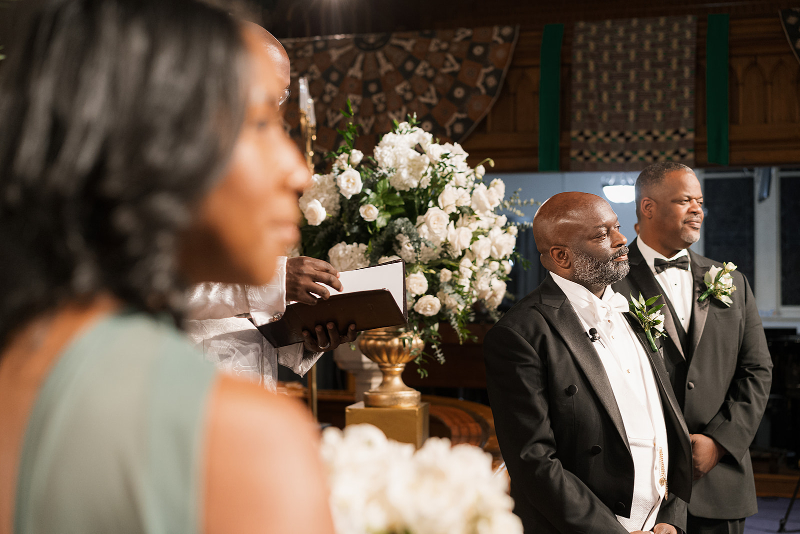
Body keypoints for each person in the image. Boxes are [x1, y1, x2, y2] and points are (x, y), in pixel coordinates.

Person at [0, 0, 335, 532]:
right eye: (260, 123)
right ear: (158, 144)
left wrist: (299, 337)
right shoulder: (244, 440)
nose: (298, 171)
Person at [484, 192, 692, 534]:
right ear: (562, 256)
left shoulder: (634, 310)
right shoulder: (519, 334)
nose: (622, 239)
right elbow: (534, 459)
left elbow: (665, 417)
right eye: (602, 234)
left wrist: (672, 514)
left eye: (617, 227)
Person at [184, 21, 356, 390]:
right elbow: (150, 288)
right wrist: (274, 281)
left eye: (283, 95)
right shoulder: (166, 167)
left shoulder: (253, 163)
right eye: (268, 91)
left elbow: (245, 314)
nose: (278, 108)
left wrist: (304, 336)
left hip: (252, 387)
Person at [612, 162, 772, 534]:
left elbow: (757, 370)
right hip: (642, 486)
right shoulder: (610, 282)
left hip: (720, 482)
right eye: (685, 200)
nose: (698, 209)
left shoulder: (732, 281)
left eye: (699, 201)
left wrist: (720, 441)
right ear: (648, 207)